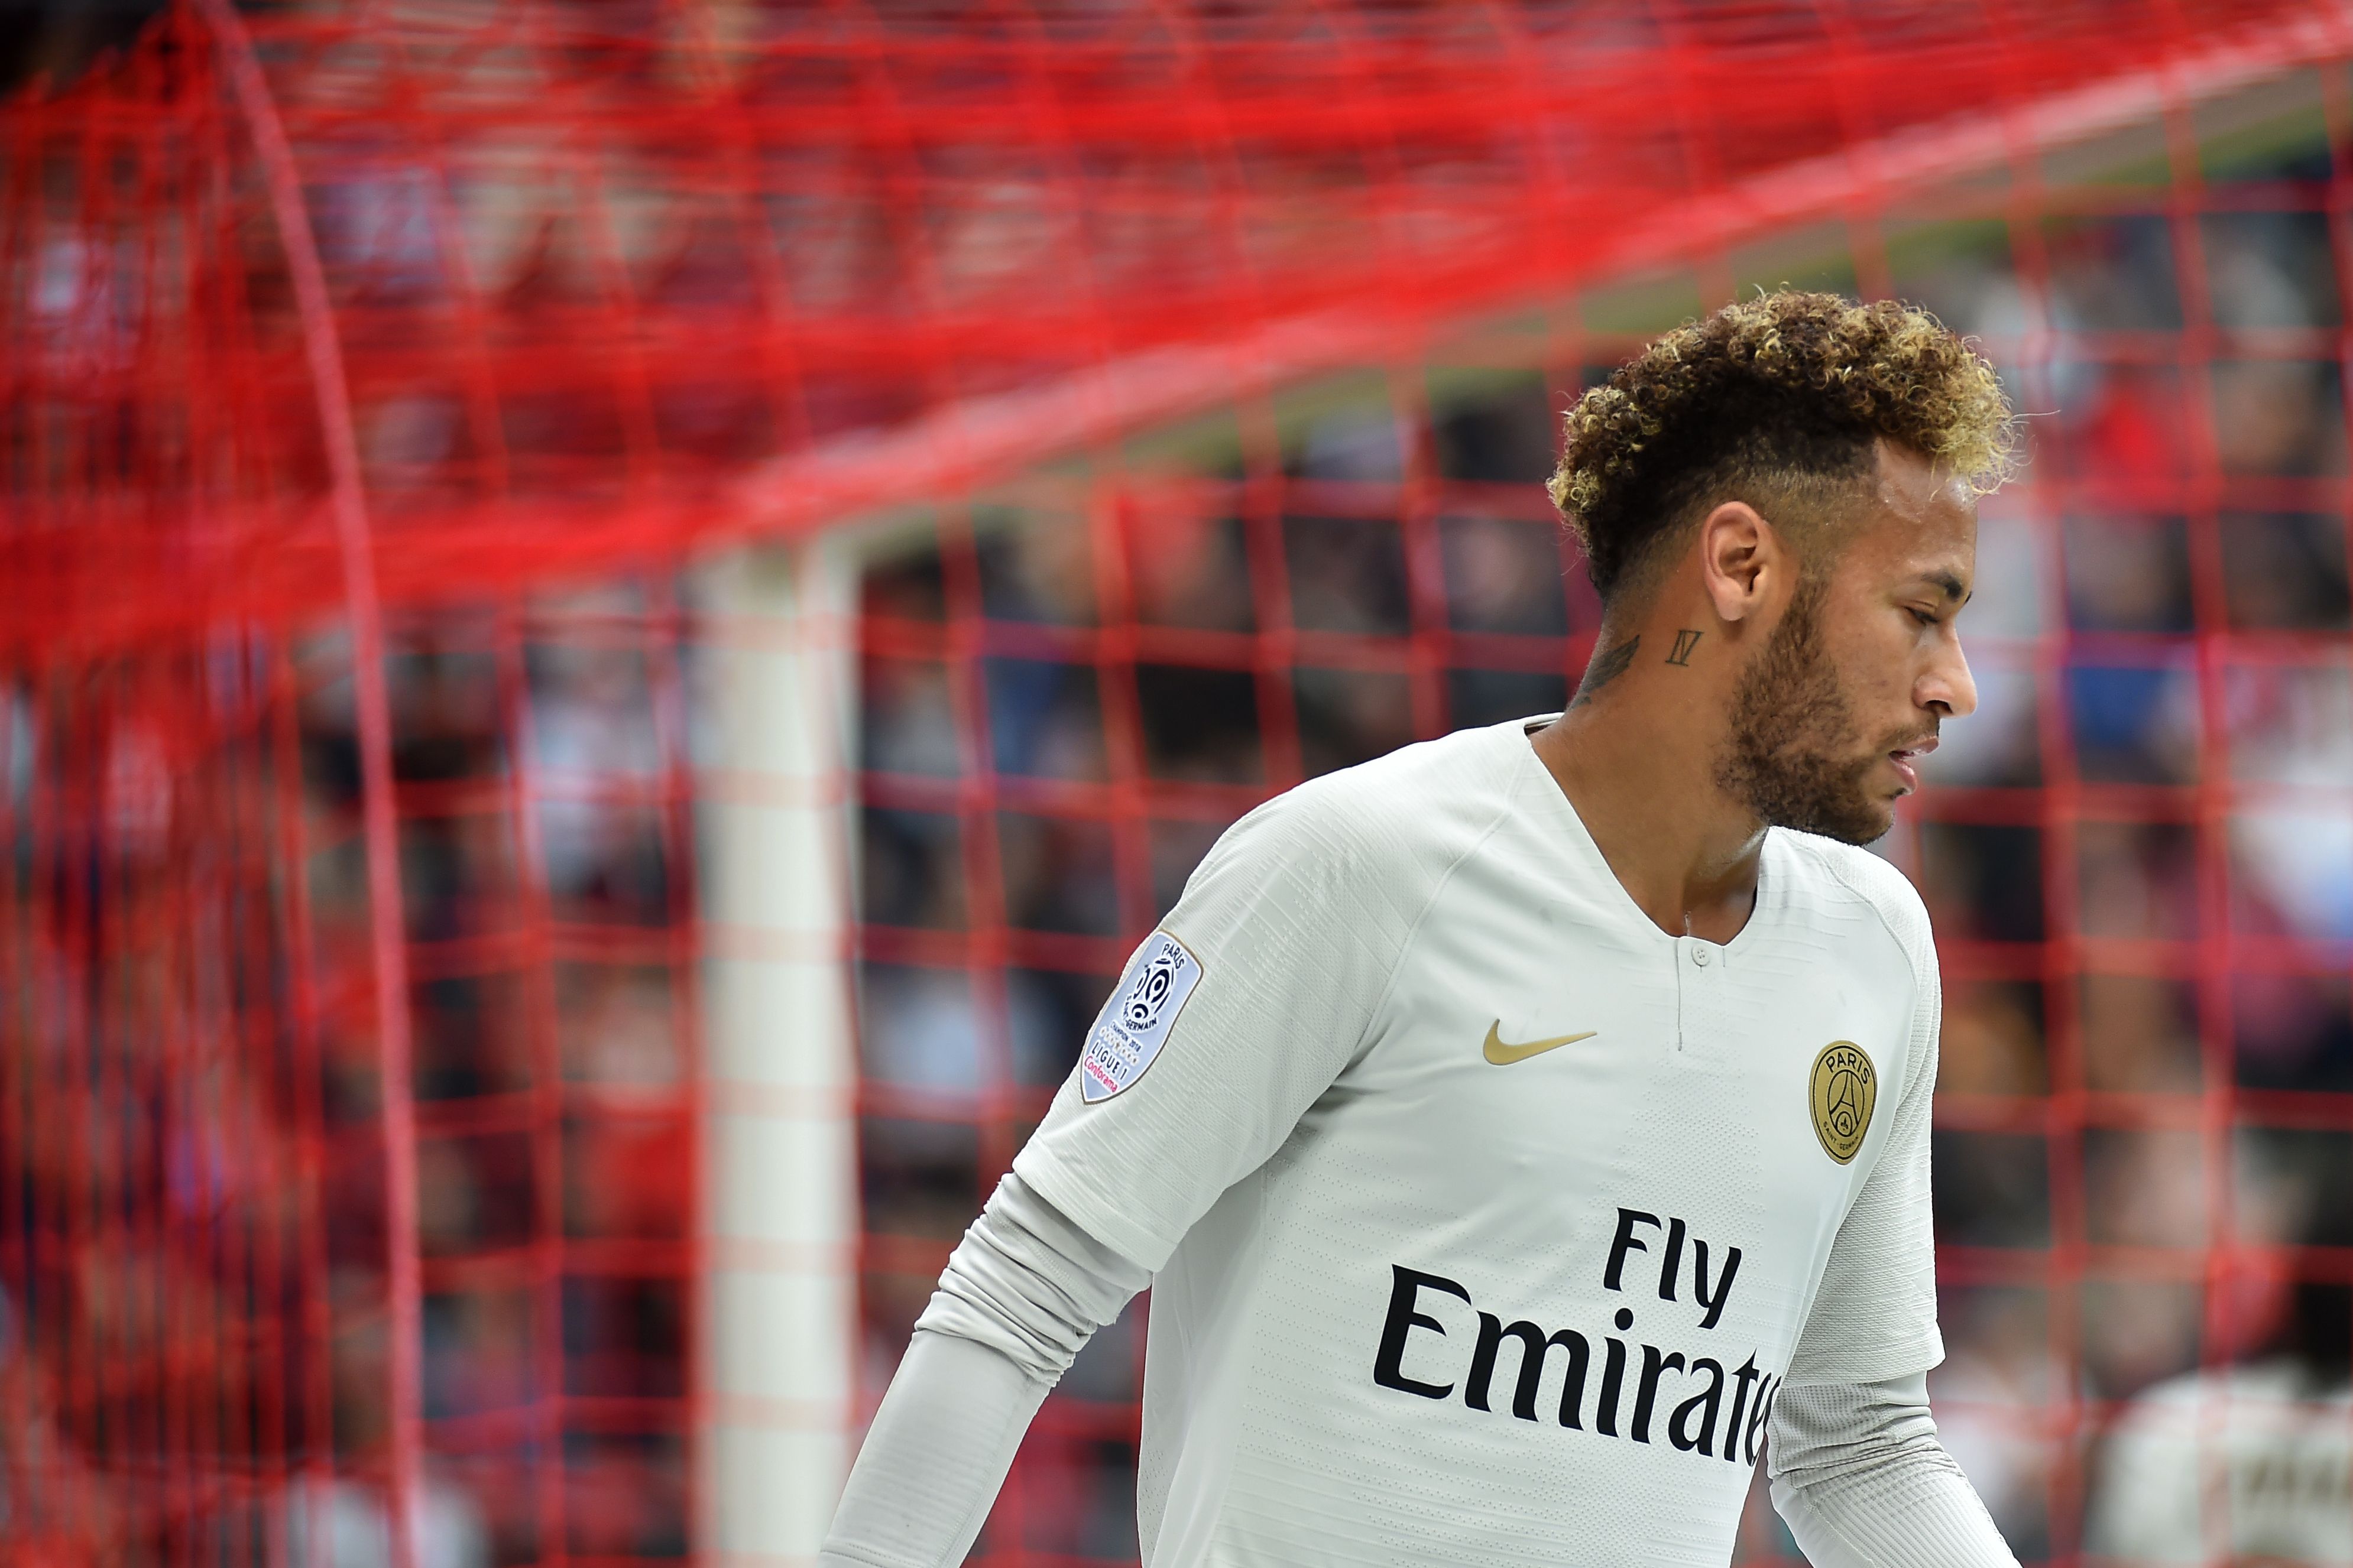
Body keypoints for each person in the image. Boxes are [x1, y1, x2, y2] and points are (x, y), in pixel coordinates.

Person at [820, 291, 2023, 1567]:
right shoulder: (1357, 865)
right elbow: (1024, 1288)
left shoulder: (1873, 950)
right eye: (1922, 609)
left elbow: (1858, 1446)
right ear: (1739, 566)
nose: (1955, 681)